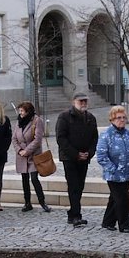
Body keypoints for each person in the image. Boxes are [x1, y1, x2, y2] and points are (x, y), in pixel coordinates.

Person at [55, 92, 98, 227]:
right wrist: (75, 154)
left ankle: (74, 212)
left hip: (84, 158)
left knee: (80, 186)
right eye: (81, 101)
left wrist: (89, 153)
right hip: (69, 158)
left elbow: (94, 138)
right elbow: (61, 138)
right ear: (74, 102)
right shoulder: (64, 117)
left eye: (85, 101)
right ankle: (75, 215)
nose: (83, 104)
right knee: (73, 186)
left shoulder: (90, 118)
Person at [96, 105, 129, 233]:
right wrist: (113, 169)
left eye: (124, 117)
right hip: (113, 174)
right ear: (112, 119)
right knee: (121, 199)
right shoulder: (106, 135)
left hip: (126, 173)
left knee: (115, 198)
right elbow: (101, 156)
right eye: (119, 118)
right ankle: (124, 225)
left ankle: (107, 222)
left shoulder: (128, 133)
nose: (122, 120)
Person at [11, 101, 52, 213]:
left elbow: (38, 139)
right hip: (21, 156)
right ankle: (27, 203)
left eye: (22, 111)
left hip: (33, 155)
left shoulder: (37, 120)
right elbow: (14, 138)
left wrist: (27, 151)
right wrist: (19, 150)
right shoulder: (19, 121)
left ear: (28, 111)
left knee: (34, 178)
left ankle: (42, 202)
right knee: (24, 179)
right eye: (19, 111)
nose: (20, 113)